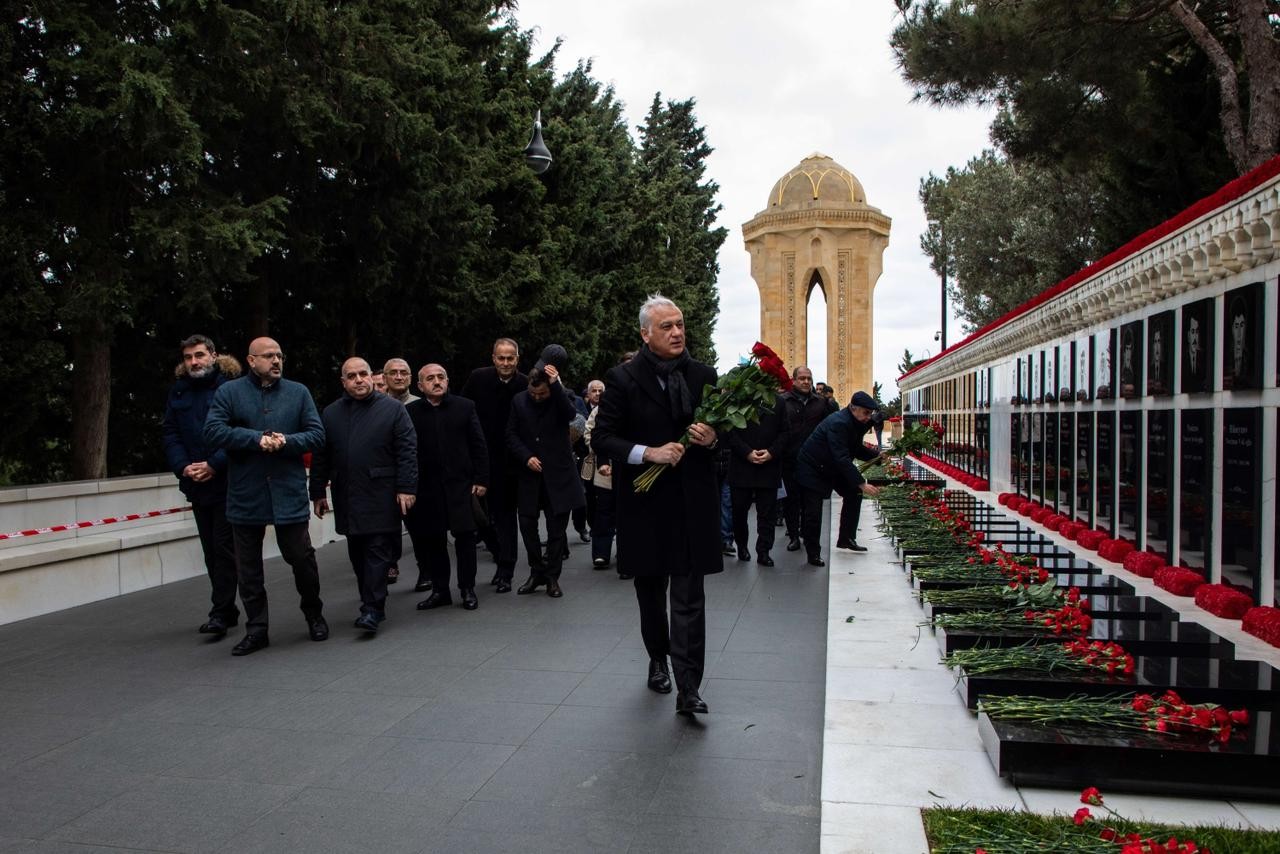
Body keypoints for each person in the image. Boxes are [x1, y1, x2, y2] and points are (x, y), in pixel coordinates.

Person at [592, 294, 721, 715]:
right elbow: (603, 438)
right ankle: (657, 658)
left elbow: (729, 434)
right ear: (646, 334)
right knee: (651, 592)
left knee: (689, 599)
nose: (677, 332)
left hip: (690, 505)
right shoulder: (624, 378)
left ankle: (689, 687)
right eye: (666, 327)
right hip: (645, 505)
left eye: (680, 324)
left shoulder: (704, 375)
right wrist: (649, 453)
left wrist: (714, 439)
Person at [204, 337, 328, 655]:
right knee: (248, 569)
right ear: (251, 360)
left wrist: (285, 441)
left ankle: (314, 614)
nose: (276, 360)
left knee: (302, 559)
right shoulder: (229, 393)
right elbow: (213, 431)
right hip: (246, 495)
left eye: (279, 355)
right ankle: (257, 629)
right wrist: (255, 439)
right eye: (269, 356)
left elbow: (317, 434)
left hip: (288, 493)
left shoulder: (298, 392)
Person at [309, 358, 416, 634]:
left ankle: (373, 609)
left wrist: (406, 488)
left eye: (363, 374)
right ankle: (370, 597)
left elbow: (407, 451)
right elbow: (321, 455)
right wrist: (318, 491)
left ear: (372, 376)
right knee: (357, 550)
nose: (358, 380)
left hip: (381, 493)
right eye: (352, 376)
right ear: (343, 382)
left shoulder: (392, 410)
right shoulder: (331, 413)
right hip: (347, 494)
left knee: (377, 550)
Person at [162, 334, 242, 638]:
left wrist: (214, 464)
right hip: (196, 483)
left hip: (227, 481)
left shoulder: (231, 389)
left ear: (213, 355)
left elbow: (239, 431)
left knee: (223, 548)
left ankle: (221, 612)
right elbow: (170, 433)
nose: (194, 362)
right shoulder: (179, 392)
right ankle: (227, 608)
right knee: (211, 550)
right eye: (188, 357)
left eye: (199, 355)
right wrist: (184, 467)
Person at [405, 363, 489, 611]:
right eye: (430, 378)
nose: (437, 381)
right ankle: (440, 590)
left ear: (448, 380)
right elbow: (406, 451)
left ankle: (467, 589)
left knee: (464, 539)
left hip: (461, 486)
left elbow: (478, 445)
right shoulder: (411, 412)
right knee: (433, 541)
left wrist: (482, 479)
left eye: (441, 376)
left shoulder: (465, 407)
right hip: (427, 489)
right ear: (420, 386)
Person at [506, 363, 585, 598]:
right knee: (528, 525)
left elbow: (572, 416)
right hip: (530, 474)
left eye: (542, 394)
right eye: (533, 393)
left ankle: (552, 577)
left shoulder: (560, 398)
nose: (537, 397)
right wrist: (526, 456)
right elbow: (510, 434)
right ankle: (536, 571)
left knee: (556, 530)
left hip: (559, 474)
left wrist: (556, 387)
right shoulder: (519, 401)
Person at [461, 338, 527, 593]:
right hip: (481, 460)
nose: (506, 363)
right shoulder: (478, 379)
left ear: (517, 359)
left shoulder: (524, 384)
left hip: (513, 463)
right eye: (501, 358)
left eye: (511, 358)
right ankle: (501, 556)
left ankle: (506, 568)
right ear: (493, 358)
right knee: (480, 517)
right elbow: (464, 411)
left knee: (506, 516)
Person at [793, 391, 883, 565]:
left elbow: (854, 448)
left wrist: (877, 457)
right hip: (812, 469)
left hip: (830, 467)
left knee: (853, 493)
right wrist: (862, 483)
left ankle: (846, 538)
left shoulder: (854, 421)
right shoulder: (839, 423)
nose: (868, 417)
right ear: (853, 408)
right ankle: (813, 553)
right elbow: (841, 457)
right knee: (813, 512)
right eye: (866, 413)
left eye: (870, 413)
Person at [727, 396, 789, 566]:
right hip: (741, 465)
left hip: (769, 466)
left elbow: (785, 432)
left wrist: (772, 452)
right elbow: (729, 431)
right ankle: (741, 545)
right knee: (739, 511)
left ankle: (764, 551)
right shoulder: (737, 399)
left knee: (768, 513)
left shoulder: (780, 402)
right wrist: (746, 452)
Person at [779, 366, 832, 553]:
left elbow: (829, 429)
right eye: (802, 378)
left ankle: (810, 542)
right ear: (793, 380)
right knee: (791, 502)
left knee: (812, 506)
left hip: (813, 463)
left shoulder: (821, 403)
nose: (806, 382)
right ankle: (793, 536)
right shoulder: (783, 401)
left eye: (809, 378)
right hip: (789, 460)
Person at [381, 356, 419, 588]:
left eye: (403, 372)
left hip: (416, 476)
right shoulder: (376, 406)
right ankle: (389, 563)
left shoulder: (420, 404)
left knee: (419, 528)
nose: (398, 376)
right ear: (384, 378)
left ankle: (425, 570)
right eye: (393, 373)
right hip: (385, 477)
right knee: (388, 527)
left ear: (411, 377)